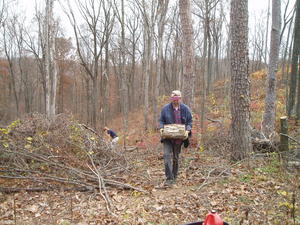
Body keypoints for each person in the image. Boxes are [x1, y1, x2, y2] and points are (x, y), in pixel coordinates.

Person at [159, 90, 192, 186]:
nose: (175, 100)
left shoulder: (185, 109)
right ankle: (169, 178)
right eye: (173, 98)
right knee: (166, 156)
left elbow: (189, 122)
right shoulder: (165, 108)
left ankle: (174, 176)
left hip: (179, 138)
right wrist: (161, 128)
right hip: (167, 138)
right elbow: (161, 120)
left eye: (177, 98)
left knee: (176, 158)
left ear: (180, 98)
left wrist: (187, 131)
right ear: (171, 98)